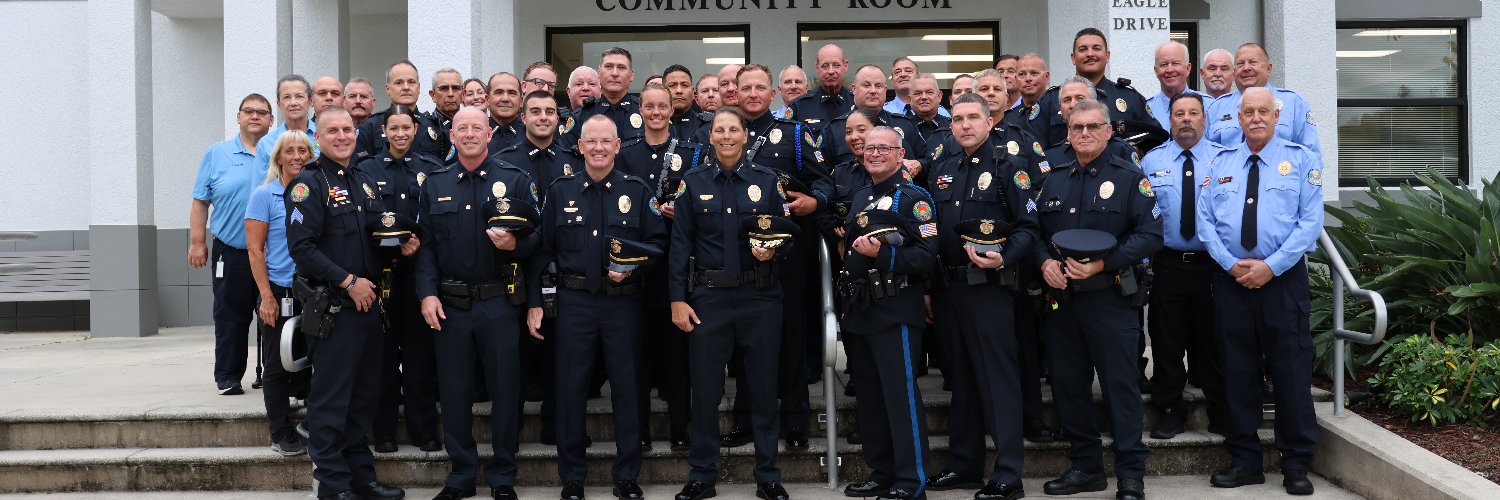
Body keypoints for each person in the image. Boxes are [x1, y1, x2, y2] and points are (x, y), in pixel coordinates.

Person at [532, 115, 667, 500]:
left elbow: (657, 245)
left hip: (622, 304)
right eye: (591, 141)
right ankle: (572, 477)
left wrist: (632, 267)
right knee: (570, 389)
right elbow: (543, 252)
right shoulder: (560, 191)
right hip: (574, 302)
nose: (598, 148)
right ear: (580, 146)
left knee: (628, 389)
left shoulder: (637, 191)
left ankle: (627, 476)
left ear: (618, 145)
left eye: (606, 141)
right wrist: (537, 301)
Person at [1032, 99, 1160, 500]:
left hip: (1110, 300)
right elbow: (1033, 230)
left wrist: (1102, 264)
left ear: (1108, 131)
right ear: (1067, 134)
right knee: (1069, 387)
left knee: (1119, 387)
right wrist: (1043, 264)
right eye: (1076, 128)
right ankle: (1086, 468)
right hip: (1062, 301)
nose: (1084, 133)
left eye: (1092, 127)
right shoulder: (1052, 179)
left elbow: (1150, 235)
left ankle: (1130, 474)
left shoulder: (1129, 177)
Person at [1198, 87, 1323, 496]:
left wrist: (1270, 267)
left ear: (1276, 116)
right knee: (1237, 373)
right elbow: (1206, 224)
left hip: (1282, 282)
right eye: (1247, 111)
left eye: (1262, 111)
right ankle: (1245, 460)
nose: (1255, 118)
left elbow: (1310, 223)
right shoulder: (1220, 163)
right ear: (1238, 118)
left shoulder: (1300, 160)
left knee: (1290, 371)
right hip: (1232, 281)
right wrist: (1231, 264)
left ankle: (1296, 463)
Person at [416, 107, 540, 500]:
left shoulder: (516, 180)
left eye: (477, 127)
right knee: (454, 391)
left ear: (490, 134)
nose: (470, 134)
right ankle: (461, 475)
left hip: (499, 303)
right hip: (450, 306)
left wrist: (516, 244)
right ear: (451, 136)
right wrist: (428, 293)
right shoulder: (434, 184)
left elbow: (539, 242)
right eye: (462, 128)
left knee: (506, 390)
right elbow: (426, 249)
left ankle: (503, 475)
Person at [709, 64, 834, 453]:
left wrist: (816, 201)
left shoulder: (795, 135)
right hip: (740, 257)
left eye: (759, 87)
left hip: (787, 257)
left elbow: (824, 180)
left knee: (791, 339)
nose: (751, 94)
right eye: (743, 88)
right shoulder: (722, 136)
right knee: (747, 343)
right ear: (734, 92)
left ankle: (795, 421)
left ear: (773, 92)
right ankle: (746, 419)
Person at [283, 106, 406, 500]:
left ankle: (361, 478)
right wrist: (348, 280)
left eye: (347, 130)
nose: (341, 136)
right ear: (318, 137)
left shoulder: (363, 179)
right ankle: (333, 485)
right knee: (332, 399)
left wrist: (401, 245)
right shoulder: (307, 184)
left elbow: (373, 237)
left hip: (369, 308)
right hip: (335, 310)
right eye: (332, 130)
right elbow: (302, 249)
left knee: (363, 398)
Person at [670, 108, 792, 500]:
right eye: (719, 130)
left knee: (761, 387)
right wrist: (677, 299)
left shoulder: (766, 181)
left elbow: (788, 235)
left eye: (733, 129)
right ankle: (702, 475)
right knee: (705, 390)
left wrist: (774, 253)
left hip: (759, 297)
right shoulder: (692, 183)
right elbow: (679, 247)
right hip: (708, 298)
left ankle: (768, 475)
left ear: (744, 135)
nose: (726, 136)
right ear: (711, 137)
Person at [921, 93, 1036, 500]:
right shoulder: (942, 168)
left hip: (988, 289)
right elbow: (933, 232)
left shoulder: (1010, 169)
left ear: (990, 122)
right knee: (963, 382)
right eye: (958, 119)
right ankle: (965, 464)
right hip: (949, 289)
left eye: (973, 118)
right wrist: (930, 289)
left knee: (997, 380)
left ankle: (1008, 475)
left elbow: (1028, 228)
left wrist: (1003, 257)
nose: (965, 125)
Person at [836, 126, 938, 500]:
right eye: (869, 147)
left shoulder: (915, 199)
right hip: (861, 310)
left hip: (896, 309)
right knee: (871, 400)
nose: (875, 153)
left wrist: (881, 255)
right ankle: (882, 472)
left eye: (884, 148)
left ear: (900, 153)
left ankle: (912, 482)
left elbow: (928, 256)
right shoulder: (862, 195)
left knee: (900, 397)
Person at [615, 84, 703, 452]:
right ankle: (641, 427)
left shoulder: (691, 152)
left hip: (675, 263)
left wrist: (678, 210)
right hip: (636, 267)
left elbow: (699, 202)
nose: (655, 112)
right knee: (638, 355)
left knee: (677, 353)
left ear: (672, 110)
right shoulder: (627, 152)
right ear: (641, 109)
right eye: (649, 106)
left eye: (662, 106)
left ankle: (680, 424)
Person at [1140, 93, 1230, 440]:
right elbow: (1144, 215)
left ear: (1204, 120)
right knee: (1167, 341)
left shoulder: (1225, 160)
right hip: (1169, 263)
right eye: (1179, 114)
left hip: (1214, 263)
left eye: (1193, 113)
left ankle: (1220, 410)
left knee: (1213, 340)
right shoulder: (1151, 161)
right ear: (1170, 120)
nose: (1186, 120)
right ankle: (1168, 411)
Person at [355, 104, 444, 455]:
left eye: (406, 127)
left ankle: (424, 431)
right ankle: (385, 431)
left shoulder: (432, 170)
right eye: (394, 128)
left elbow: (436, 222)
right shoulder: (366, 170)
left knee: (420, 359)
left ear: (416, 129)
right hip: (379, 275)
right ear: (383, 132)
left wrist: (416, 245)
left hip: (417, 275)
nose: (401, 134)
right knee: (383, 359)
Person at [192, 93, 275, 396]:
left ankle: (271, 374)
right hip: (232, 250)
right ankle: (228, 376)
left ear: (271, 120)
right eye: (248, 111)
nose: (255, 116)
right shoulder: (218, 153)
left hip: (272, 253)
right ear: (238, 117)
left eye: (262, 112)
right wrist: (197, 241)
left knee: (273, 315)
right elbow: (201, 200)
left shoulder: (277, 152)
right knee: (231, 315)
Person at [245, 129, 315, 456]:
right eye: (291, 151)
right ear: (279, 158)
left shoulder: (315, 192)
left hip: (312, 289)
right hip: (278, 289)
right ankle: (280, 432)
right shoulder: (264, 196)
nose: (298, 156)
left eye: (304, 150)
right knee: (275, 363)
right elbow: (255, 250)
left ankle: (312, 421)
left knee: (313, 358)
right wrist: (266, 297)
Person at [1033, 28, 1153, 148]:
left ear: (1107, 56)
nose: (1090, 54)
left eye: (1096, 48)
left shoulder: (1130, 98)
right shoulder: (1050, 99)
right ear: (1073, 58)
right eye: (1083, 49)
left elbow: (1154, 139)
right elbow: (1034, 147)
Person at [1205, 43, 1321, 159]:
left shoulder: (1293, 103)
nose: (1246, 68)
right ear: (1234, 72)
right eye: (1240, 64)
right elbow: (1205, 154)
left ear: (1268, 69)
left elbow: (1311, 155)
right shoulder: (1217, 107)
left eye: (1253, 62)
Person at [817, 65, 924, 167]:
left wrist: (919, 165)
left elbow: (927, 159)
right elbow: (821, 173)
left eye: (878, 86)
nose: (873, 91)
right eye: (866, 85)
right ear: (854, 89)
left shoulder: (905, 125)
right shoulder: (835, 129)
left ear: (885, 89)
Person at [355, 60, 449, 161]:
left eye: (411, 82)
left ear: (419, 88)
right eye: (399, 82)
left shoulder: (436, 127)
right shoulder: (370, 127)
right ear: (388, 89)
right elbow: (360, 169)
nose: (406, 87)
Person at [256, 75, 317, 169]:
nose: (293, 103)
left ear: (310, 101)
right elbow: (261, 183)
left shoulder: (325, 136)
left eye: (299, 96)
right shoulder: (266, 144)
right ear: (279, 104)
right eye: (287, 97)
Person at [788, 43, 854, 124]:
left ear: (845, 66)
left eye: (836, 65)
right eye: (824, 66)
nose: (830, 71)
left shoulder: (856, 103)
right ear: (817, 68)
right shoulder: (799, 106)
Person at [1146, 41, 1202, 130]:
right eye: (1163, 65)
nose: (1170, 70)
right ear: (1156, 70)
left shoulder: (1208, 105)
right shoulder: (1146, 109)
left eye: (1176, 63)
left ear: (1188, 68)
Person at [884, 57, 948, 118]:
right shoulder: (883, 112)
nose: (903, 74)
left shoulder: (941, 112)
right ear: (892, 80)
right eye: (897, 72)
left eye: (908, 71)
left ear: (918, 77)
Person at [663, 65, 711, 141]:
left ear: (692, 92)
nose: (679, 91)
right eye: (672, 85)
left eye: (685, 85)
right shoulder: (649, 124)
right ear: (662, 91)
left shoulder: (709, 123)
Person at [486, 72, 524, 152]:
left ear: (521, 101)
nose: (505, 99)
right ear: (487, 100)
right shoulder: (474, 135)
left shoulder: (531, 136)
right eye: (498, 93)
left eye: (512, 93)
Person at [1014, 53, 1050, 138]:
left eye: (1034, 73)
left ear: (1047, 76)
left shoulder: (1060, 108)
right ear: (1015, 79)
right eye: (1022, 74)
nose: (1028, 79)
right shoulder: (1009, 118)